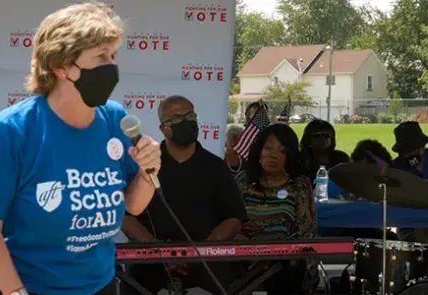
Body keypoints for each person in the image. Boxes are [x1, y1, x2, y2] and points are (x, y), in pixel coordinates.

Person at [0, 3, 161, 295]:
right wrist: (15, 292)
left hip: (97, 285)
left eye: (113, 55)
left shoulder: (116, 119)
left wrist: (147, 173)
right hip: (22, 286)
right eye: (100, 56)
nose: (111, 65)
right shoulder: (15, 129)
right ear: (62, 67)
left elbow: (133, 206)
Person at [121, 95, 248, 295]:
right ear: (163, 128)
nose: (186, 122)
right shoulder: (146, 164)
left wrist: (200, 252)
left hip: (207, 260)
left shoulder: (215, 166)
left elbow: (233, 218)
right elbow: (126, 218)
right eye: (177, 118)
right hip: (152, 260)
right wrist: (159, 252)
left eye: (190, 116)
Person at [236, 123, 317, 294]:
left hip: (283, 259)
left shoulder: (299, 184)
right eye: (268, 148)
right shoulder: (243, 180)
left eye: (281, 151)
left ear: (290, 156)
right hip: (242, 253)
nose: (273, 156)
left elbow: (307, 228)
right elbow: (229, 218)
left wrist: (277, 250)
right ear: (259, 152)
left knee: (289, 272)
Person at [391, 121, 428, 242]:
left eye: (409, 151)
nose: (406, 155)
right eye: (403, 153)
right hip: (408, 225)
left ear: (421, 148)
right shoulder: (396, 167)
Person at [300, 119, 350, 185]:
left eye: (327, 135)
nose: (322, 138)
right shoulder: (300, 160)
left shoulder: (341, 158)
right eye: (317, 135)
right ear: (308, 139)